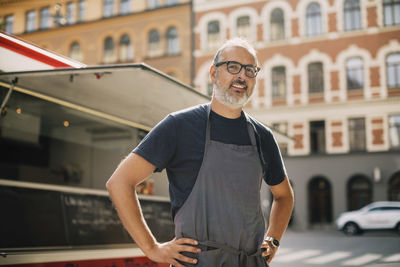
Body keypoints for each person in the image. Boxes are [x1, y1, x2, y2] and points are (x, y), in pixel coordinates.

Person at [106, 38, 294, 267]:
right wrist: (152, 248)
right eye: (233, 67)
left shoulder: (262, 137)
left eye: (250, 70)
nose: (242, 76)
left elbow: (284, 196)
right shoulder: (179, 126)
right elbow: (120, 182)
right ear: (214, 74)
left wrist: (273, 239)